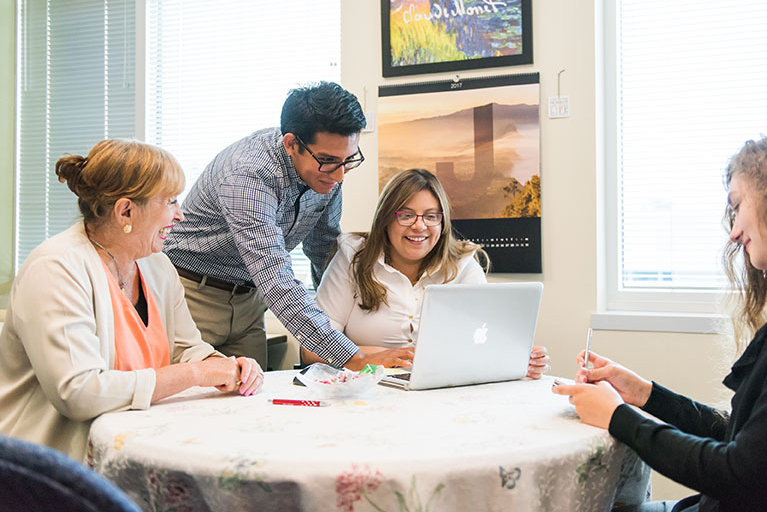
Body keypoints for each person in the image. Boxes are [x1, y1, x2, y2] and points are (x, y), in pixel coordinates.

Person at [553, 125, 767, 511]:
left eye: (737, 206)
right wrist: (645, 394)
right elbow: (746, 439)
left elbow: (740, 474)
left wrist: (618, 417)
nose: (733, 233)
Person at [0, 140, 264, 461]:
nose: (180, 215)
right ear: (126, 210)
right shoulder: (55, 268)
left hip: (130, 449)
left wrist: (225, 366)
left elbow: (186, 349)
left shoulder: (157, 265)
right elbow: (79, 393)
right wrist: (197, 374)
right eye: (170, 202)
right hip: (49, 466)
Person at [163, 81, 412, 371]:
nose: (341, 175)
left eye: (348, 160)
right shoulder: (248, 174)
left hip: (249, 301)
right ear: (292, 144)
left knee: (252, 400)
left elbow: (324, 252)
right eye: (329, 161)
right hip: (192, 294)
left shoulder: (328, 174)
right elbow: (276, 278)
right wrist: (353, 356)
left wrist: (336, 318)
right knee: (188, 403)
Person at [303, 168, 550, 378]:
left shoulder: (463, 265)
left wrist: (512, 359)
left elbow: (484, 342)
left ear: (442, 224)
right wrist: (374, 356)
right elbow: (311, 350)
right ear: (386, 219)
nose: (419, 226)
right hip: (366, 392)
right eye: (406, 215)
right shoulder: (353, 257)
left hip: (444, 393)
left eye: (431, 216)